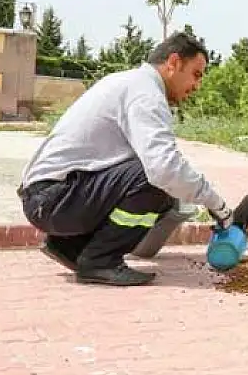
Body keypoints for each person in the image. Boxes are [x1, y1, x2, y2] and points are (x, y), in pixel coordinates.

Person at [17, 32, 232, 286]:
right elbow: (163, 168)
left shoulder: (129, 82)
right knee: (155, 180)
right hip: (54, 199)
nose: (197, 86)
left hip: (50, 196)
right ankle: (100, 262)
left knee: (161, 183)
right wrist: (217, 204)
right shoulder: (146, 95)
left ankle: (70, 246)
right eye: (196, 74)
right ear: (173, 63)